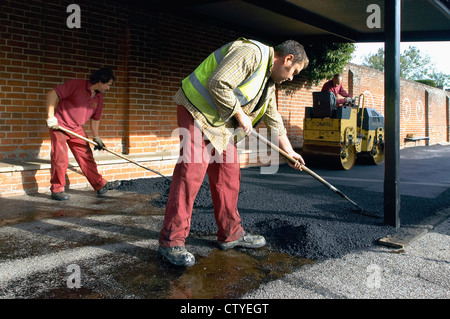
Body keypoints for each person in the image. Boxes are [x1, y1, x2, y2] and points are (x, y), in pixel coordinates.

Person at [158, 38, 309, 266]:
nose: (291, 78)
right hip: (197, 110)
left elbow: (273, 119)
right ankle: (171, 241)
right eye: (294, 71)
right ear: (287, 59)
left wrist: (289, 152)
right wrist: (240, 115)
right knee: (191, 173)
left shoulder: (268, 83)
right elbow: (218, 82)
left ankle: (231, 234)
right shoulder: (252, 53)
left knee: (229, 174)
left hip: (220, 123)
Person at [45, 68, 121, 201]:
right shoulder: (76, 85)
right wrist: (50, 117)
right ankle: (57, 190)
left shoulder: (98, 98)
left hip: (76, 128)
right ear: (99, 81)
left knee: (87, 156)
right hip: (60, 125)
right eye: (108, 84)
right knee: (60, 158)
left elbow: (95, 120)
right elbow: (52, 94)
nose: (108, 88)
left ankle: (99, 185)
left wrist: (96, 137)